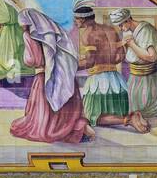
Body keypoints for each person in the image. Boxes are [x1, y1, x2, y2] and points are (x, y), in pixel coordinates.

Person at [8, 8, 94, 144]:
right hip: (62, 77)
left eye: (23, 24)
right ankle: (77, 128)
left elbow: (31, 60)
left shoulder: (29, 35)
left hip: (42, 78)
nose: (22, 27)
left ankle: (71, 129)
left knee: (44, 119)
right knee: (62, 113)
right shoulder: (53, 33)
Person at [73, 0, 149, 133]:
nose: (75, 22)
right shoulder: (110, 29)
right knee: (108, 112)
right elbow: (120, 57)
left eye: (76, 19)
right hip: (116, 81)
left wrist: (71, 66)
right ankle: (132, 115)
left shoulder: (87, 34)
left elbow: (90, 62)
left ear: (83, 19)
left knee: (92, 117)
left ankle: (129, 120)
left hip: (98, 82)